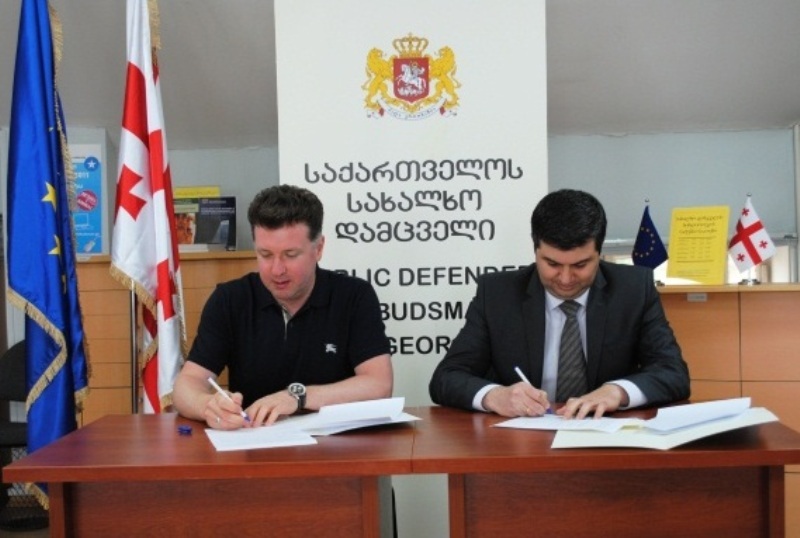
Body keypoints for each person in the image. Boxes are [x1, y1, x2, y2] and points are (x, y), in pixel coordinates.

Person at [429, 189, 689, 419]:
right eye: (552, 264)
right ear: (535, 250)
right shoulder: (498, 294)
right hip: (522, 443)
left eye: (580, 265)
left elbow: (673, 373)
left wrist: (618, 392)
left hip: (606, 438)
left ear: (599, 253)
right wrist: (494, 396)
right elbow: (446, 377)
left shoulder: (633, 290)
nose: (565, 279)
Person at [174, 185, 393, 429]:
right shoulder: (230, 299)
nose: (277, 270)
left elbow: (379, 384)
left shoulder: (354, 296)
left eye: (290, 254)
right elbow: (187, 384)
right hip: (255, 442)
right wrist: (208, 406)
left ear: (318, 249)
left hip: (337, 445)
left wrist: (298, 397)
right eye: (265, 255)